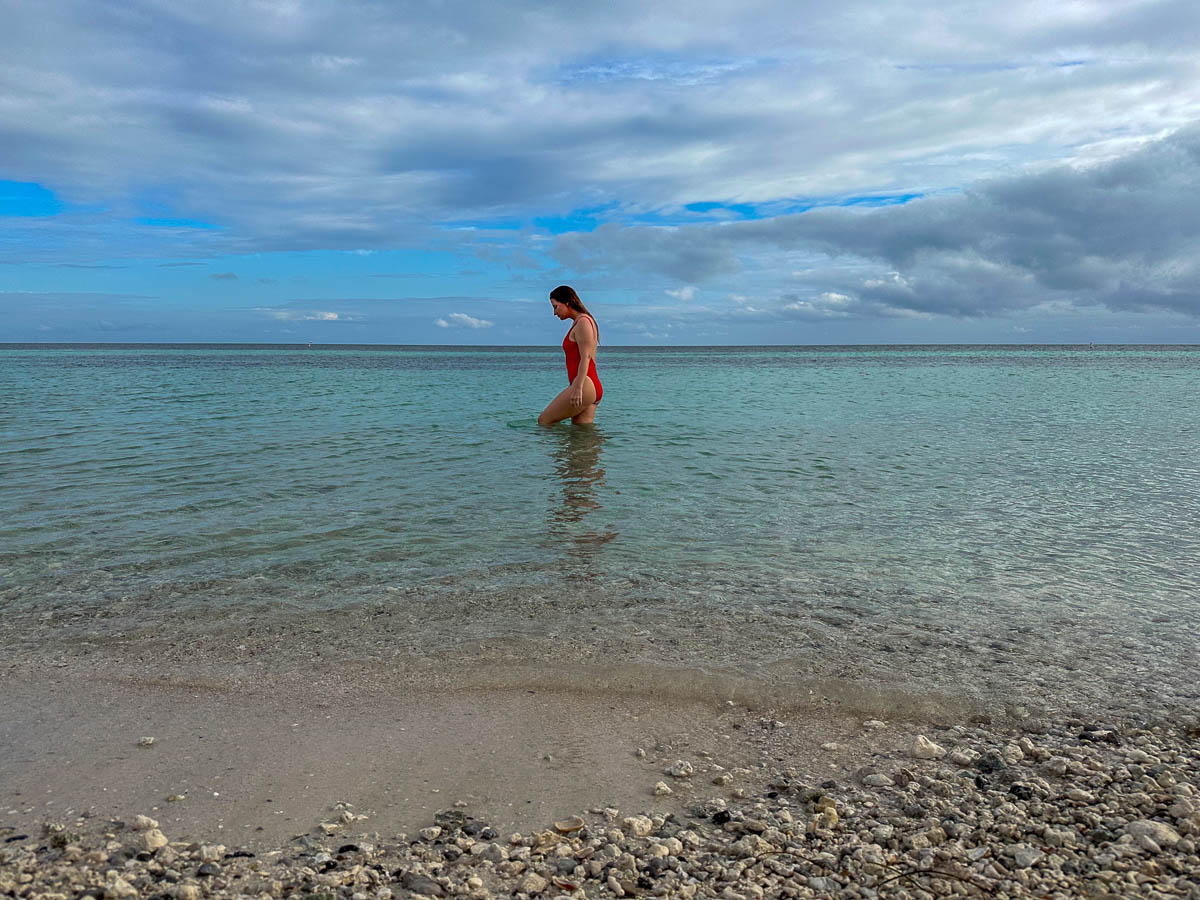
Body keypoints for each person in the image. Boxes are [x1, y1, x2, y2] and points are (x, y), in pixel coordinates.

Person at [538, 285, 603, 426]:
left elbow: (585, 357)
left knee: (544, 421)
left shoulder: (583, 322)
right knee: (581, 439)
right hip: (589, 385)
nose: (555, 312)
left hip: (585, 385)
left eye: (556, 307)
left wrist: (578, 387)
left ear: (567, 302)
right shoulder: (580, 322)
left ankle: (545, 448)